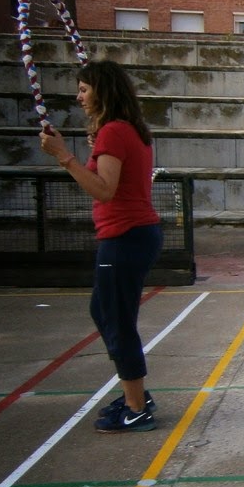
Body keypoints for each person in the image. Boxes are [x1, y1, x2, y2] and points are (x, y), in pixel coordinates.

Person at [39, 60, 163, 433]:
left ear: (102, 91)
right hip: (135, 235)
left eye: (84, 89)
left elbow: (105, 190)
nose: (79, 97)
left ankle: (137, 406)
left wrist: (65, 157)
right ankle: (135, 395)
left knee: (116, 320)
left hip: (124, 236)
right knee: (106, 314)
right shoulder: (128, 131)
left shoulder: (114, 132)